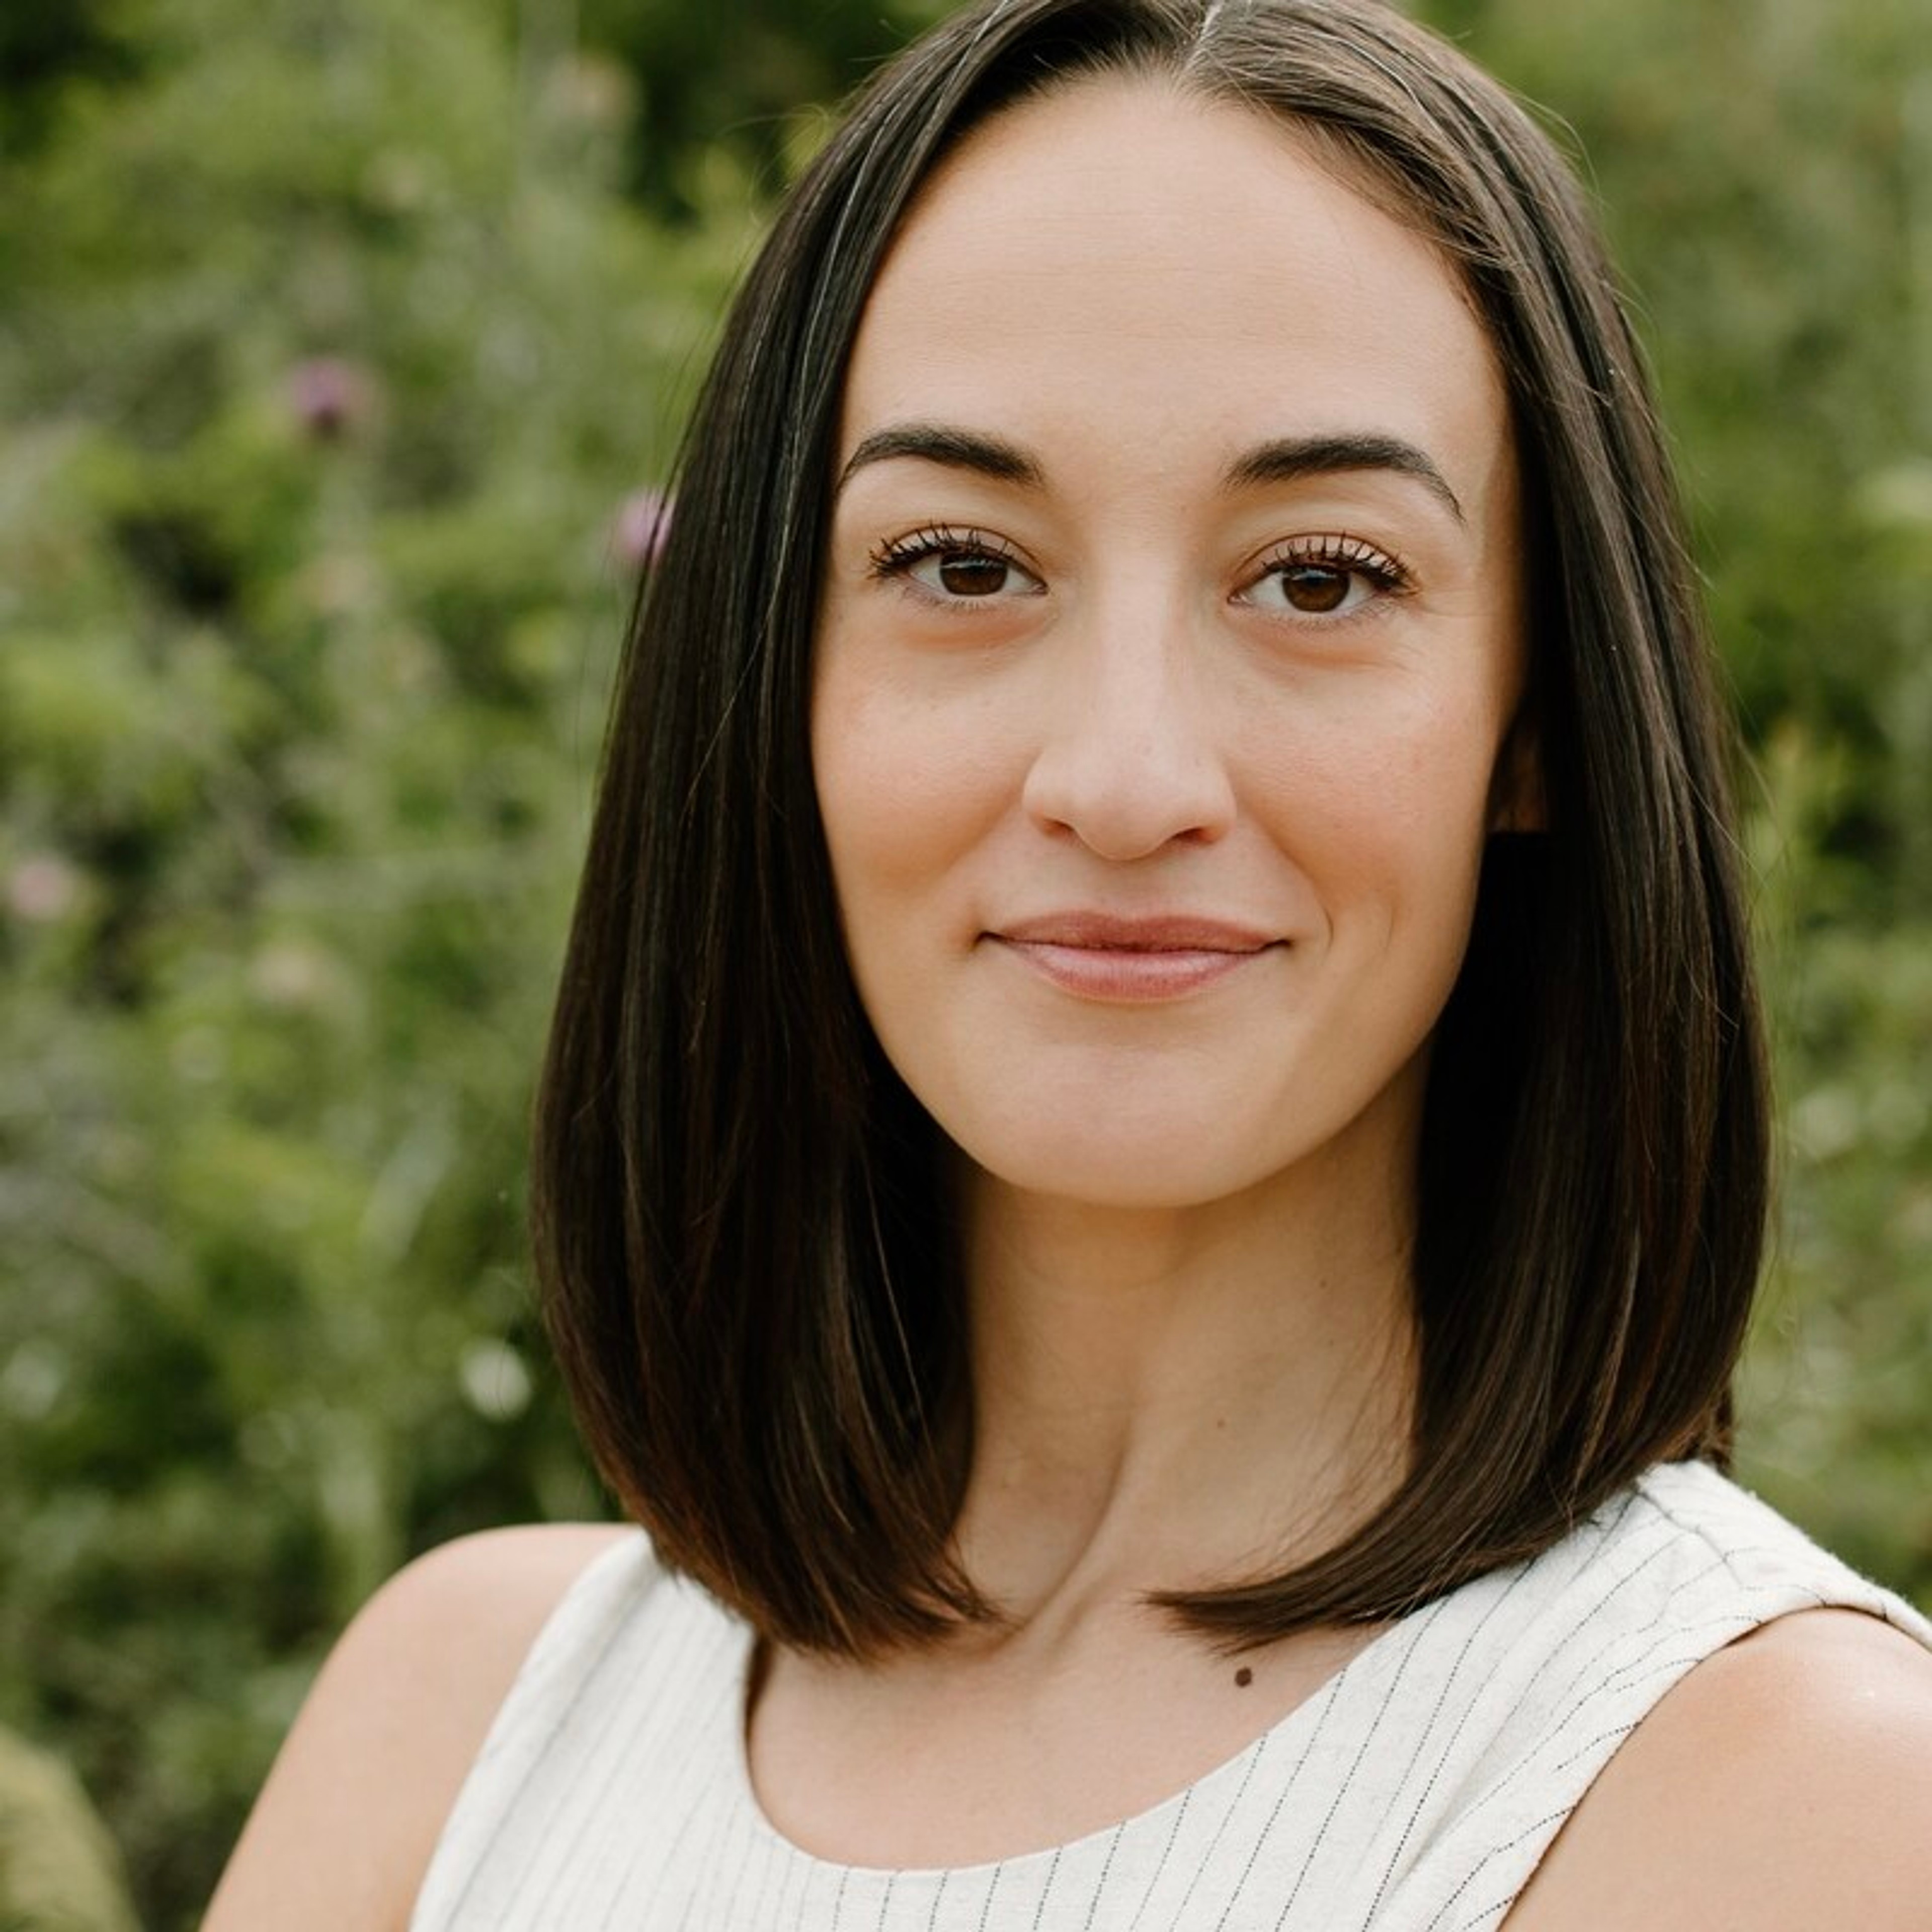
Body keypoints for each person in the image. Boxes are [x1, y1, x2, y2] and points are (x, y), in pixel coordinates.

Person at [204, 1, 1932, 1925]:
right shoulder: (457, 1729)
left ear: (1539, 725)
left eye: (1322, 578)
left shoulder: (1800, 1807)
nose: (1123, 780)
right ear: (775, 679)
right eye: (962, 565)